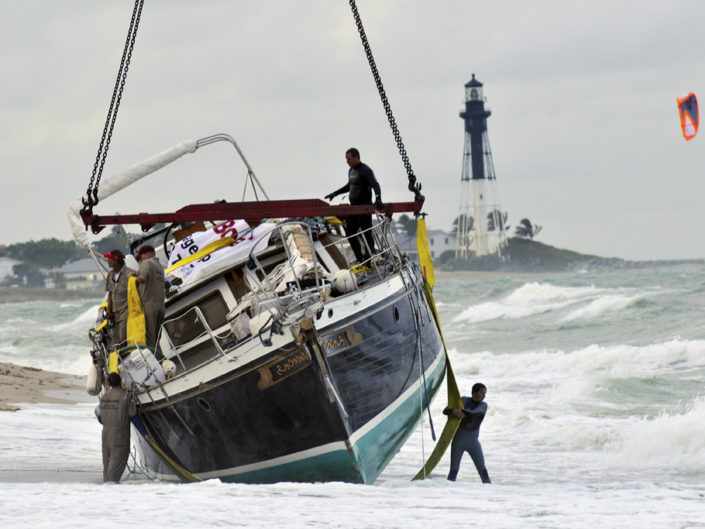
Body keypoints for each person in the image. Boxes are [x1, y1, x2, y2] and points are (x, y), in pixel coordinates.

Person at [325, 147, 383, 263]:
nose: (347, 162)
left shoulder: (366, 170)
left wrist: (378, 199)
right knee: (350, 234)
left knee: (367, 234)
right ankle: (360, 259)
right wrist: (335, 193)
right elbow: (349, 186)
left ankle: (368, 261)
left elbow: (375, 184)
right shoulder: (351, 171)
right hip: (353, 208)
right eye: (346, 160)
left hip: (364, 208)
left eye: (349, 159)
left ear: (357, 157)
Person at [443, 382, 491, 483]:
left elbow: (474, 413)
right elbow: (445, 410)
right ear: (475, 392)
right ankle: (447, 494)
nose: (484, 396)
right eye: (482, 393)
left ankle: (490, 495)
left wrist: (461, 412)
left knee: (483, 471)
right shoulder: (463, 400)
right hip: (458, 443)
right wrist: (453, 411)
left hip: (473, 443)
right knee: (453, 471)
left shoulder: (483, 405)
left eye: (485, 393)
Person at [99, 372, 135, 483]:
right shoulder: (126, 396)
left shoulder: (104, 397)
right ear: (121, 381)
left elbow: (99, 417)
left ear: (109, 383)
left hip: (105, 434)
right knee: (115, 470)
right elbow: (134, 415)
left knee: (107, 467)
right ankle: (112, 495)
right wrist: (146, 433)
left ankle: (102, 494)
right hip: (119, 435)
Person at [135, 244, 165, 349]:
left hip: (149, 306)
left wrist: (131, 278)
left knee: (149, 339)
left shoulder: (146, 263)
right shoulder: (160, 267)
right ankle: (161, 359)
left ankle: (157, 362)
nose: (139, 261)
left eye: (140, 258)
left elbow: (140, 278)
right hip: (161, 307)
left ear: (147, 254)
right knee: (157, 339)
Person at [104, 249, 135, 348]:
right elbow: (110, 293)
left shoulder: (130, 274)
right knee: (115, 339)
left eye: (109, 259)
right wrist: (109, 309)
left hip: (126, 311)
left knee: (124, 337)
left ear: (115, 260)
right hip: (114, 313)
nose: (107, 261)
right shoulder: (110, 275)